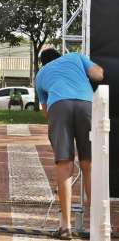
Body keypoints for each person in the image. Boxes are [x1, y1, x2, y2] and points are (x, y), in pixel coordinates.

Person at [36, 48, 104, 240]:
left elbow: (46, 111)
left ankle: (65, 227)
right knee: (89, 165)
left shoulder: (40, 74)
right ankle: (98, 225)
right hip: (86, 104)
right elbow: (98, 74)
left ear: (43, 62)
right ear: (60, 56)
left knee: (64, 165)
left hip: (58, 106)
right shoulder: (75, 57)